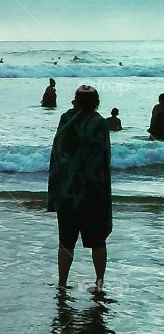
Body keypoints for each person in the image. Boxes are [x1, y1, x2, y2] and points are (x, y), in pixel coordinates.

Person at [47, 85, 111, 292]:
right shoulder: (98, 122)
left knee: (66, 241)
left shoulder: (66, 119)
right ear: (96, 101)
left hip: (67, 192)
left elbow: (57, 153)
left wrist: (55, 190)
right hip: (93, 192)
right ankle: (99, 283)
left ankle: (62, 283)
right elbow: (104, 157)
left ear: (76, 99)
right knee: (98, 241)